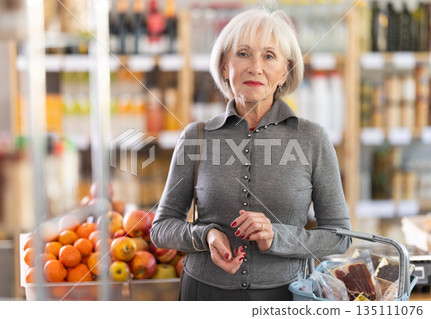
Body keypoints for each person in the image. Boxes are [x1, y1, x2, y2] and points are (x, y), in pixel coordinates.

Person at [150, 3, 351, 301]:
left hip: (286, 296)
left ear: (285, 71)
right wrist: (205, 235)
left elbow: (339, 237)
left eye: (269, 56)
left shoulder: (312, 138)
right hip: (203, 294)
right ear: (224, 67)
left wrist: (277, 236)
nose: (255, 67)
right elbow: (162, 228)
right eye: (243, 54)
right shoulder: (196, 137)